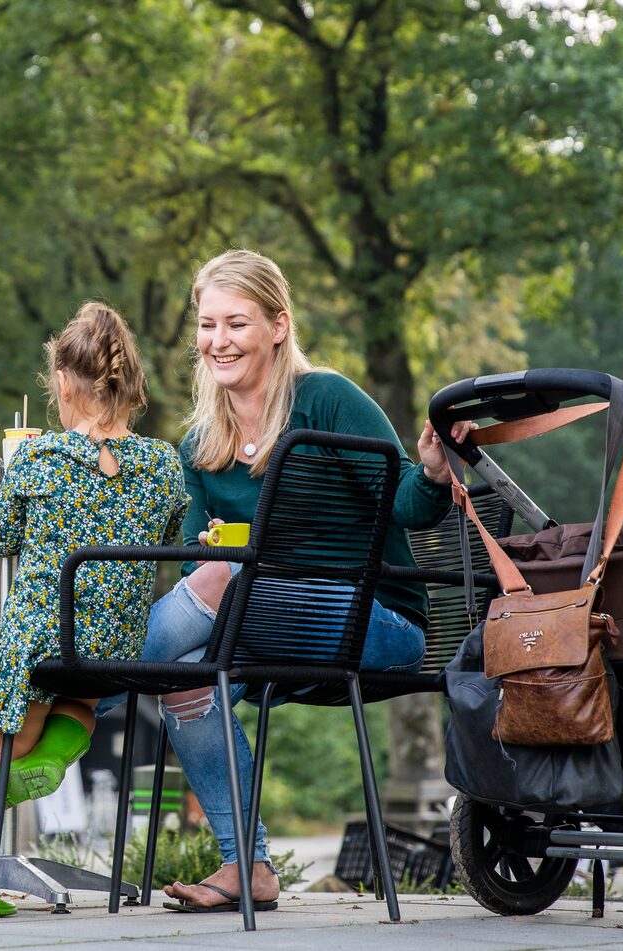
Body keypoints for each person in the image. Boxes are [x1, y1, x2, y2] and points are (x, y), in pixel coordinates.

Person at [131, 250, 468, 913]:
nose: (217, 341)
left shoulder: (328, 399)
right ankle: (247, 864)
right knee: (186, 676)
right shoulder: (200, 443)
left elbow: (403, 502)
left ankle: (92, 675)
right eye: (207, 324)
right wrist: (213, 560)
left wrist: (429, 470)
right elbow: (197, 568)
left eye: (236, 323)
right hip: (261, 624)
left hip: (378, 622)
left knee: (221, 583)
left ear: (278, 325)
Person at [0, 302, 187, 918]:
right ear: (131, 386)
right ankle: (47, 765)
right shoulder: (163, 464)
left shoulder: (38, 459)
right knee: (79, 706)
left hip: (32, 641)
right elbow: (171, 530)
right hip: (107, 647)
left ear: (62, 383)